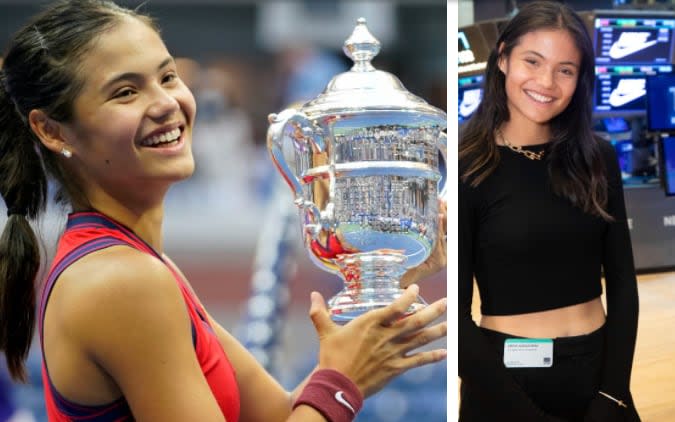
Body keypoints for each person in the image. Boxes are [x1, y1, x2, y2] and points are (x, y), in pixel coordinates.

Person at [0, 1, 448, 421]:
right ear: (51, 130)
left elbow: (280, 414)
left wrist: (381, 282)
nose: (165, 104)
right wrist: (341, 382)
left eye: (168, 77)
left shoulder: (141, 265)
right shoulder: (123, 281)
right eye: (125, 92)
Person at [459, 2, 640, 421]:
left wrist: (613, 394)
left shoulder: (599, 157)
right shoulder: (469, 165)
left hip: (599, 377)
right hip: (505, 387)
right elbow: (458, 318)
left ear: (580, 79)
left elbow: (623, 287)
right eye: (532, 61)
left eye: (565, 69)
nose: (546, 82)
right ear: (503, 57)